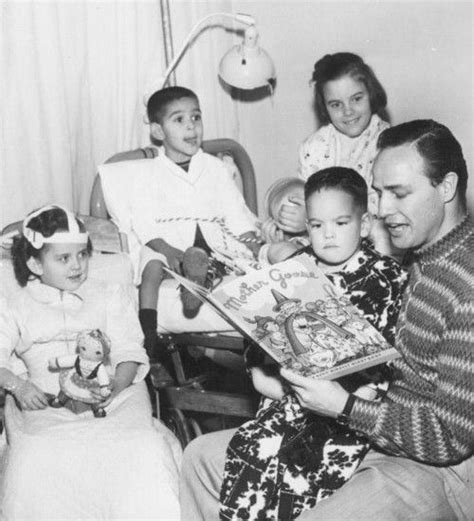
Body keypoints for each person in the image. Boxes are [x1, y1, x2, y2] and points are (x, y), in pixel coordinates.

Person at [180, 167, 408, 521]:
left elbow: (388, 364)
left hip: (347, 414)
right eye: (316, 226)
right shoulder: (295, 272)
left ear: (363, 225)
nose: (327, 236)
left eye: (340, 224)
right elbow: (264, 351)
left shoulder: (388, 279)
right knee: (252, 448)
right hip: (289, 401)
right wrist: (255, 348)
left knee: (296, 471)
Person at [281, 119, 473, 520]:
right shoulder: (424, 255)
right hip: (382, 433)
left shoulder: (467, 287)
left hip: (443, 469)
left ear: (447, 187)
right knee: (201, 460)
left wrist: (345, 407)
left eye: (399, 194)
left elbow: (452, 436)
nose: (383, 211)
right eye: (380, 194)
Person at [0, 205, 181, 520]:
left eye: (82, 255)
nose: (77, 266)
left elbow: (129, 349)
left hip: (113, 389)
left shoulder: (108, 293)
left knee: (142, 447)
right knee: (36, 455)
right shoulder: (16, 305)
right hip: (43, 396)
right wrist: (18, 385)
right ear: (34, 263)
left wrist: (115, 386)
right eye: (63, 259)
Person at [102, 86, 260, 356]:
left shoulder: (215, 167)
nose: (191, 127)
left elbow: (234, 208)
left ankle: (198, 283)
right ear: (158, 132)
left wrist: (250, 238)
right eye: (179, 120)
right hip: (166, 245)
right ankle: (148, 336)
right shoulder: (147, 174)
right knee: (151, 266)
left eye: (196, 118)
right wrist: (167, 250)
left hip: (210, 246)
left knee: (221, 261)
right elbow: (143, 220)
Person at [273, 52, 398, 258]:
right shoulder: (314, 146)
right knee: (276, 250)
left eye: (356, 99)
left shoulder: (389, 143)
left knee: (382, 239)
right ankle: (317, 283)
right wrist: (286, 220)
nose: (348, 111)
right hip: (324, 239)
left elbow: (384, 208)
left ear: (371, 94)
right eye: (336, 104)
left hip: (368, 241)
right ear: (325, 106)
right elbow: (305, 198)